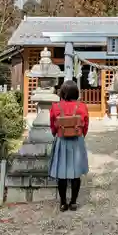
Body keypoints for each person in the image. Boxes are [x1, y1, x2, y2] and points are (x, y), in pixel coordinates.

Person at [49, 80, 89, 212]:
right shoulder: (82, 106)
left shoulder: (55, 107)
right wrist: (81, 134)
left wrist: (57, 133)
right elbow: (86, 125)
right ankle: (73, 202)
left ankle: (62, 203)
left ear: (62, 92)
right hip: (77, 140)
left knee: (62, 173)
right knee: (75, 173)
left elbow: (53, 126)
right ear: (76, 92)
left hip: (62, 140)